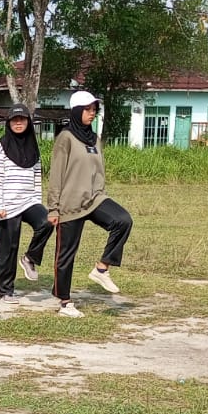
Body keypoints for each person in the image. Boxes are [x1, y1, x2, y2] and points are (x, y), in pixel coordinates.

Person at [47, 91, 132, 319]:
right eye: (88, 109)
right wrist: (53, 208)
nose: (92, 113)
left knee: (123, 220)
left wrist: (101, 192)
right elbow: (56, 174)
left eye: (94, 109)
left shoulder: (94, 139)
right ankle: (65, 303)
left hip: (95, 200)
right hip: (69, 205)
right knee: (65, 255)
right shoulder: (65, 138)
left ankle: (102, 268)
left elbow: (99, 170)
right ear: (76, 111)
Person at [0, 105, 51, 299]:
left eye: (22, 119)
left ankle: (29, 258)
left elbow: (36, 178)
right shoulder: (1, 145)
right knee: (8, 248)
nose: (19, 123)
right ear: (9, 123)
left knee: (47, 221)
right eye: (15, 120)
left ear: (28, 122)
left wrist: (38, 202)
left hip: (29, 201)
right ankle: (5, 290)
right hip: (7, 204)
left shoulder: (33, 146)